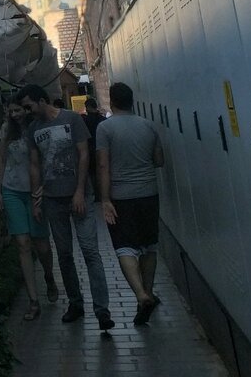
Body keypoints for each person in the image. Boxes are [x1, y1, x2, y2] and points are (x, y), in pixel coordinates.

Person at [20, 84, 114, 330]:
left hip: (77, 196)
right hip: (52, 200)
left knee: (90, 251)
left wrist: (80, 191)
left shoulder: (72, 119)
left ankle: (102, 309)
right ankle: (76, 303)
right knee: (64, 255)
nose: (27, 111)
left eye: (29, 106)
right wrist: (36, 198)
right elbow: (34, 164)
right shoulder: (33, 129)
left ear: (42, 100)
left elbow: (84, 154)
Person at [95, 82, 164, 325]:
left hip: (121, 197)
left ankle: (140, 294)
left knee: (125, 247)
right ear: (132, 101)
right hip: (149, 193)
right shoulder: (149, 126)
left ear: (112, 101)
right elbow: (159, 160)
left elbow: (103, 165)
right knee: (149, 246)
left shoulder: (105, 129)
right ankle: (149, 291)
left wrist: (104, 199)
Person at [0, 99, 59, 320]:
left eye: (18, 110)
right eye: (11, 110)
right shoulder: (7, 130)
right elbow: (2, 161)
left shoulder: (38, 129)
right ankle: (34, 301)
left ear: (26, 109)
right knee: (22, 243)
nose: (15, 114)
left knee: (41, 244)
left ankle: (49, 277)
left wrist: (44, 187)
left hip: (35, 191)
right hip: (12, 188)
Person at [84, 98, 107, 201]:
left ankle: (96, 194)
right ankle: (103, 192)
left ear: (88, 107)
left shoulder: (84, 120)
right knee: (103, 170)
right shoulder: (103, 119)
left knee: (92, 173)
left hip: (90, 149)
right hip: (102, 148)